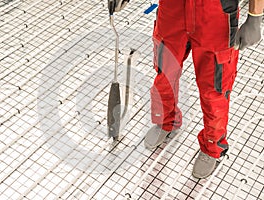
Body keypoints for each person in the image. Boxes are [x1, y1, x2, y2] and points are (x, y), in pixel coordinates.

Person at [110, 0, 264, 179]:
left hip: (216, 13)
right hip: (172, 9)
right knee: (164, 74)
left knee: (214, 89)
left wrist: (255, 17)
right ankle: (166, 121)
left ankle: (213, 146)